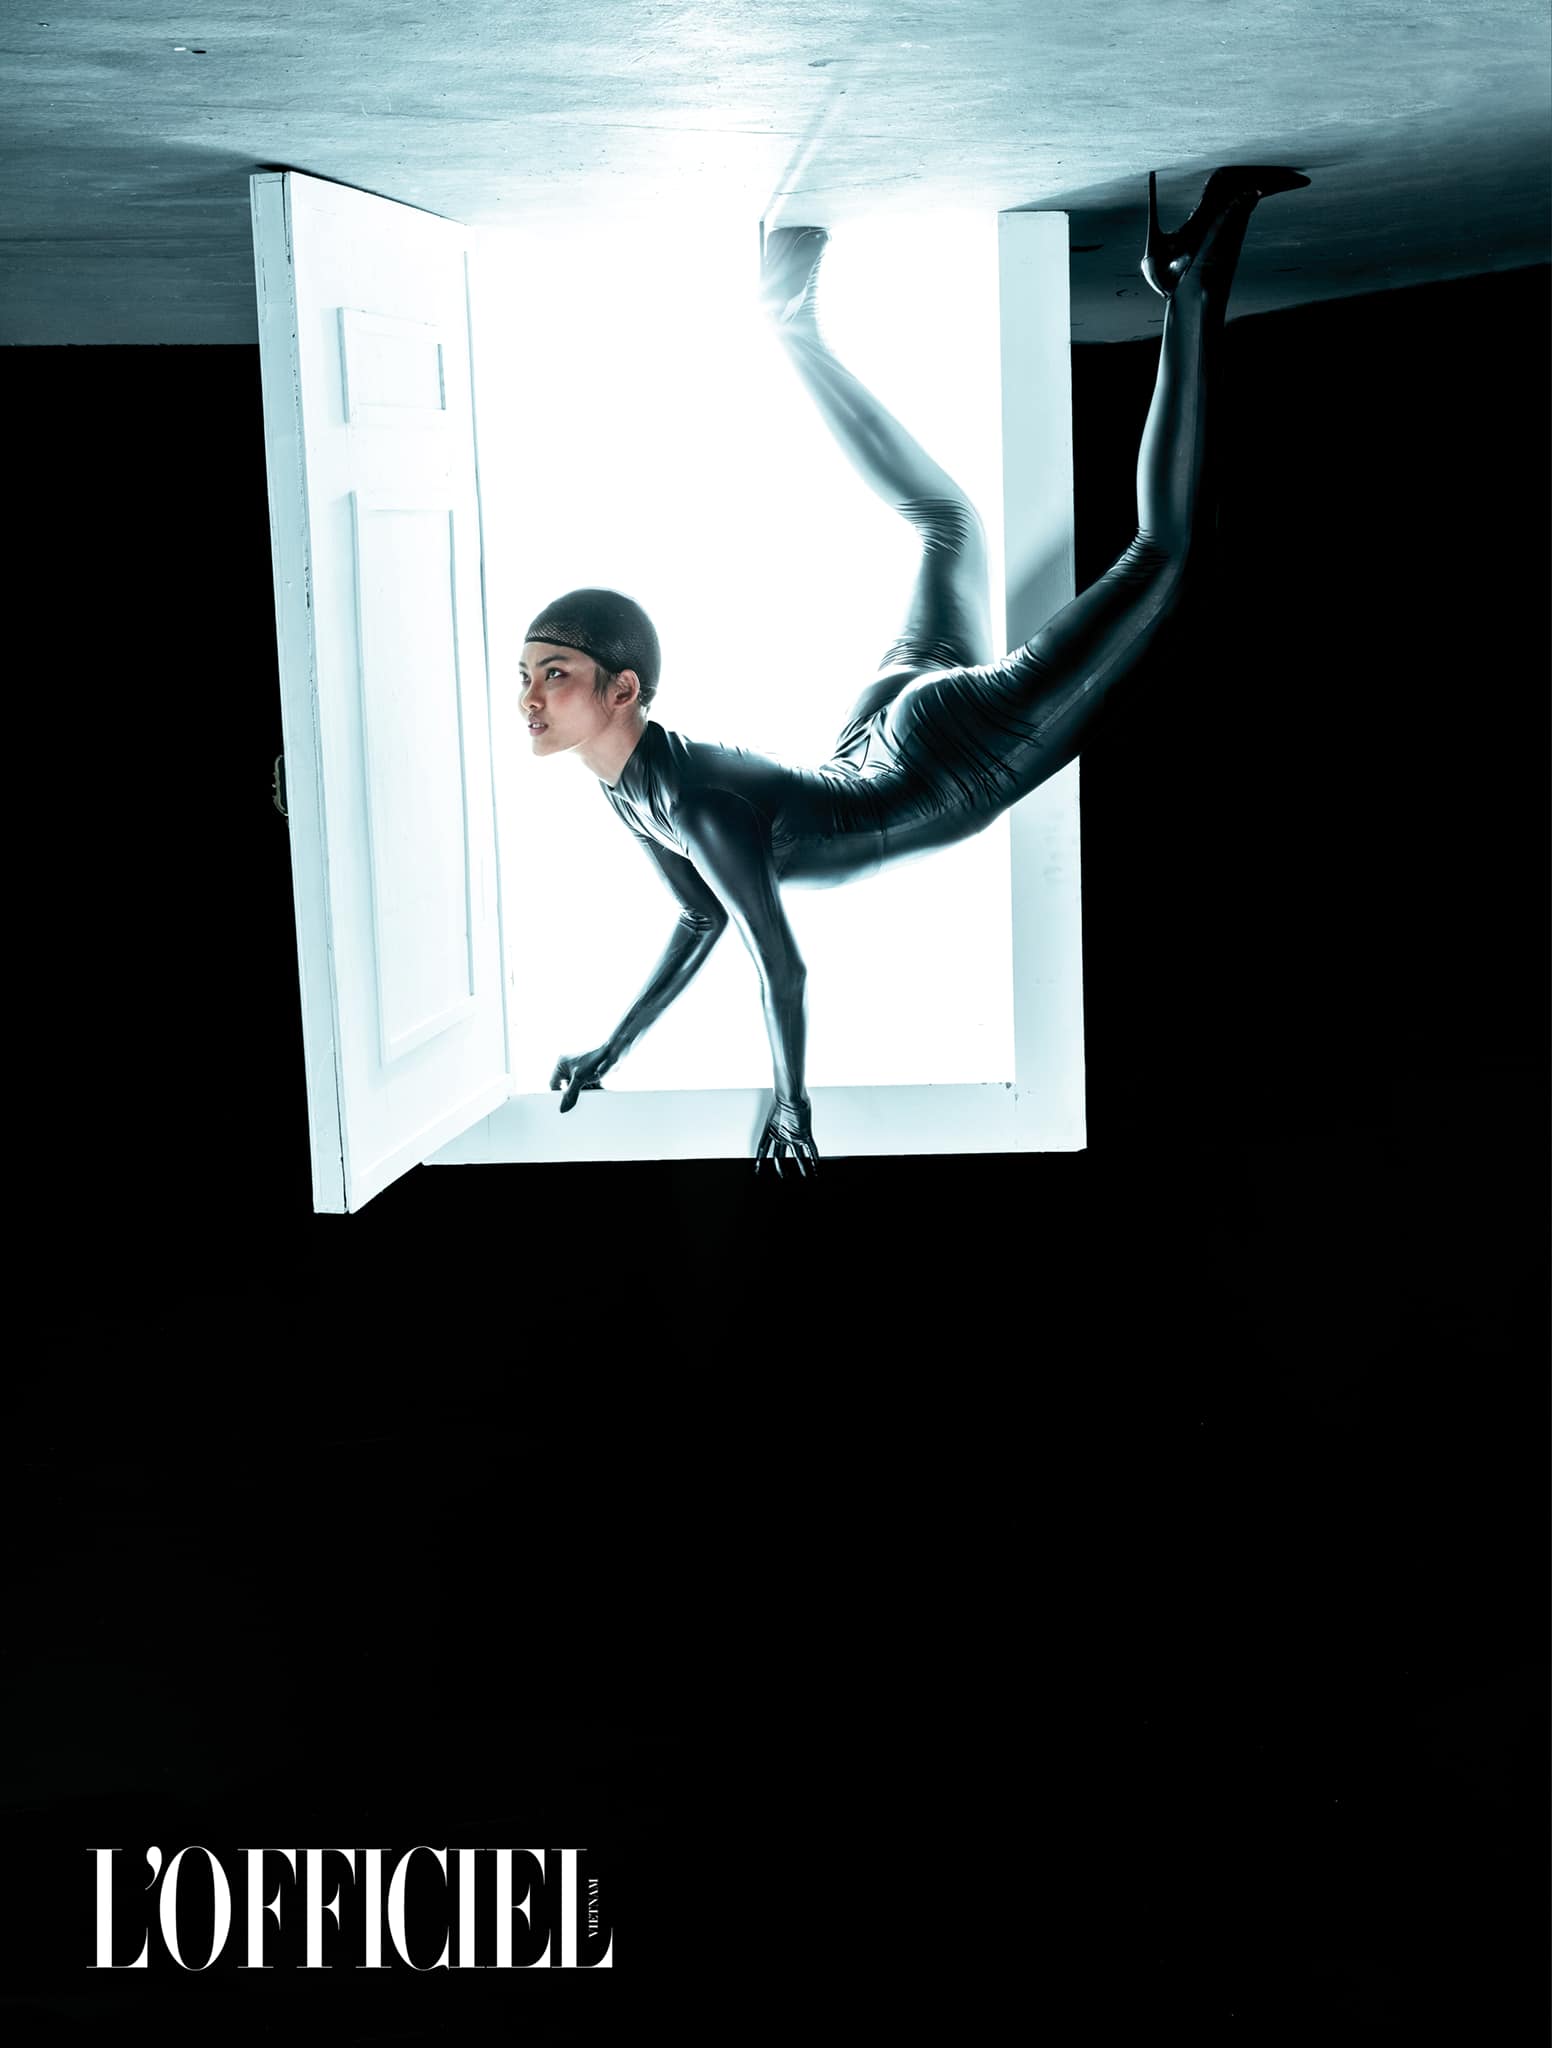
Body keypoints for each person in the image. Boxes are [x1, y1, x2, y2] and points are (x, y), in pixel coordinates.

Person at [519, 165, 1311, 1175]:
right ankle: (790, 324)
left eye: (552, 674)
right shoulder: (629, 787)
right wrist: (611, 1049)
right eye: (527, 674)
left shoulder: (693, 805)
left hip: (949, 762)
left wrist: (792, 1107)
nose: (528, 699)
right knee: (947, 524)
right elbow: (699, 913)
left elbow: (781, 968)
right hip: (881, 730)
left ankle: (1188, 280)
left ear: (623, 689)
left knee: (1160, 556)